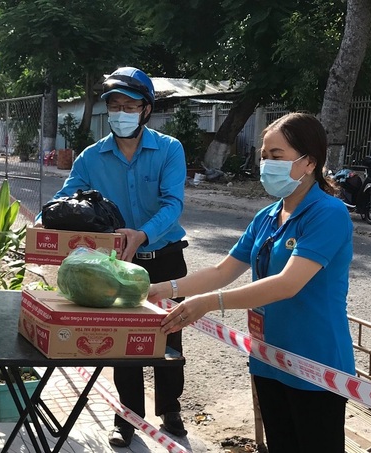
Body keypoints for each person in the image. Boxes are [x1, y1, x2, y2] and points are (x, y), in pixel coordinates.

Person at [148, 112, 355, 453]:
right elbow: (222, 271)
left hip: (315, 364)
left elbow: (288, 284)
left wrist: (210, 303)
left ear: (309, 163)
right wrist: (165, 288)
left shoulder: (328, 214)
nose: (266, 164)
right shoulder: (268, 217)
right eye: (263, 156)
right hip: (270, 358)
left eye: (276, 156)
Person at [36, 67, 189, 448]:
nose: (121, 113)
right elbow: (64, 200)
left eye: (129, 105)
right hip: (114, 267)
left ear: (146, 110)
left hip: (165, 258)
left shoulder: (169, 149)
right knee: (124, 341)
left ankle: (171, 409)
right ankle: (127, 418)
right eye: (114, 105)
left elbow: (173, 204)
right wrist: (41, 226)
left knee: (171, 336)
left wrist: (142, 234)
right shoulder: (91, 158)